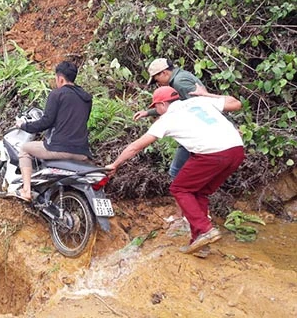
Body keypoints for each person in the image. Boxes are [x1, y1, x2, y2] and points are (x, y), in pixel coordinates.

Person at [106, 86, 245, 254]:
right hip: (237, 150)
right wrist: (207, 94)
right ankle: (200, 243)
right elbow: (235, 103)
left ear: (163, 104)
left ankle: (205, 229)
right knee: (199, 192)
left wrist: (115, 164)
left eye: (155, 107)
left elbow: (136, 147)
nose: (156, 111)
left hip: (212, 153)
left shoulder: (167, 119)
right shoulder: (198, 101)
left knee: (179, 188)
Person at [13, 61, 93, 202]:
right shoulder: (86, 98)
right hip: (82, 152)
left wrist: (24, 125)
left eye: (56, 78)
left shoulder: (57, 94)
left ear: (60, 78)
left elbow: (46, 122)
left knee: (25, 149)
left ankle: (26, 190)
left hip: (60, 148)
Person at [133, 58, 208, 179]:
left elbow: (200, 106)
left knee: (175, 172)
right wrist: (148, 112)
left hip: (197, 133)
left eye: (157, 80)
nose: (158, 84)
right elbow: (175, 105)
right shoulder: (182, 76)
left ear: (164, 73)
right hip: (202, 132)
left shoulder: (179, 83)